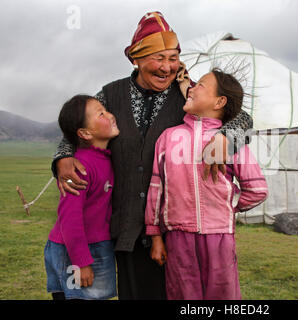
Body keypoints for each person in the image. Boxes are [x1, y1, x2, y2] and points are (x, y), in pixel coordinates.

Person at [51, 12, 253, 299]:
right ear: (136, 58)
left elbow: (244, 119)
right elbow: (78, 123)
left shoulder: (189, 93)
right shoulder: (111, 94)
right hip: (127, 227)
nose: (167, 67)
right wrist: (62, 157)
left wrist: (225, 137)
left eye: (173, 58)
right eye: (158, 58)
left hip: (177, 230)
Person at [145, 69, 268, 300]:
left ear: (219, 101)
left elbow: (257, 189)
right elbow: (156, 189)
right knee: (182, 295)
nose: (192, 88)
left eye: (200, 84)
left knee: (222, 295)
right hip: (177, 235)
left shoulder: (232, 140)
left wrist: (225, 204)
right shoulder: (168, 137)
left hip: (219, 235)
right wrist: (155, 236)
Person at [44, 95, 119, 300]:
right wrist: (81, 262)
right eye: (101, 114)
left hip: (95, 244)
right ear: (85, 133)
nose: (111, 115)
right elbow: (69, 219)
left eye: (106, 110)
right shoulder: (78, 168)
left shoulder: (104, 158)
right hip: (76, 251)